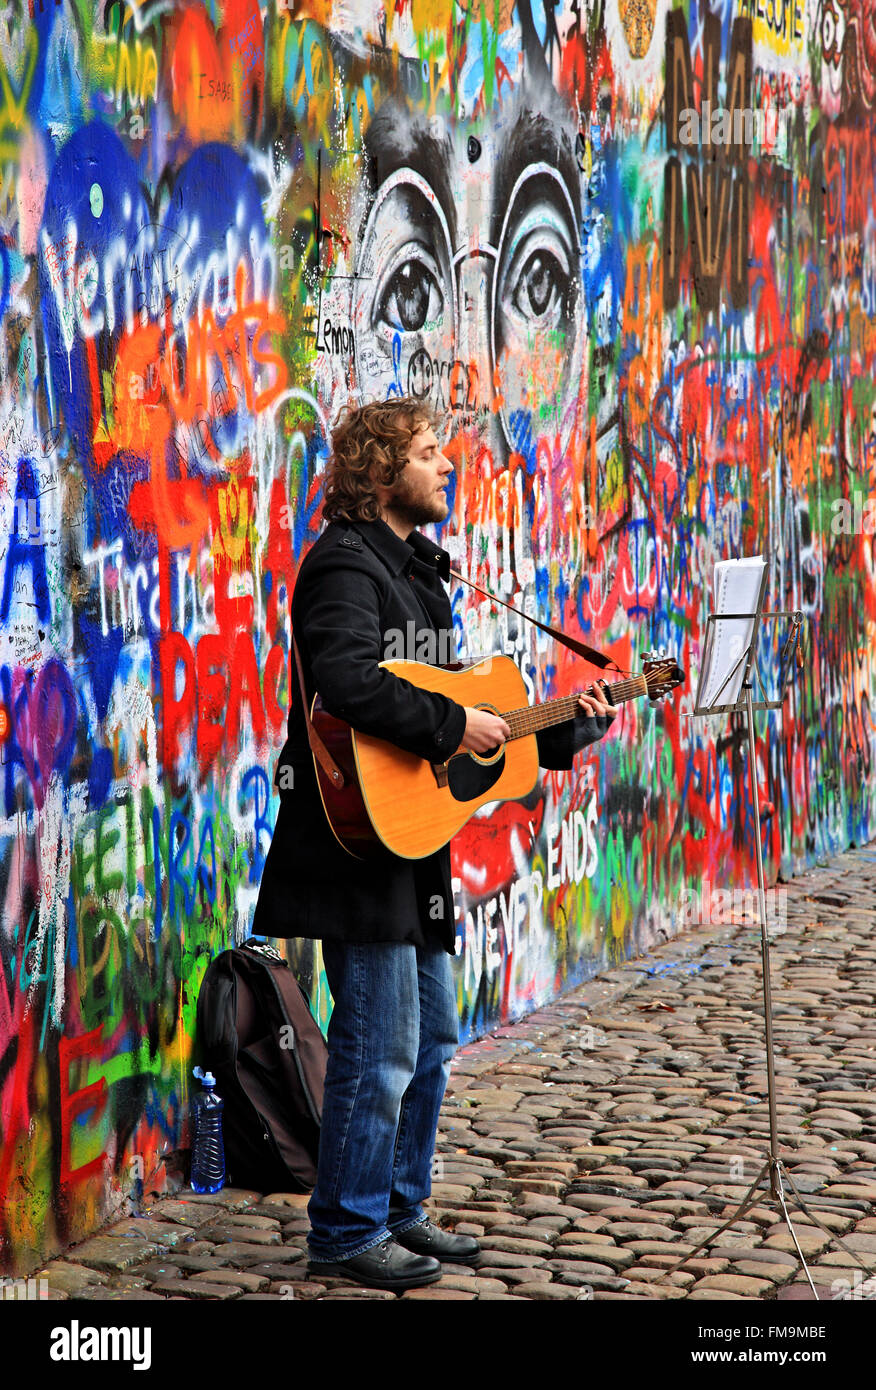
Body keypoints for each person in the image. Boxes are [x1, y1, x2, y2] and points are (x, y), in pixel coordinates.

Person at [251, 395, 618, 1291]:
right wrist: (455, 721)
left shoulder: (423, 575)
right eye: (427, 452)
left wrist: (569, 728)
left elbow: (471, 729)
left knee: (432, 1040)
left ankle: (398, 1210)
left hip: (412, 846)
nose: (445, 465)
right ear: (382, 472)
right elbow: (344, 683)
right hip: (353, 850)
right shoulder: (344, 568)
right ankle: (344, 1230)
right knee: (377, 1049)